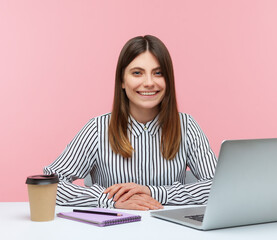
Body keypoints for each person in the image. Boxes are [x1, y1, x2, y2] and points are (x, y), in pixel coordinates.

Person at [44, 35, 217, 210]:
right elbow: (49, 184)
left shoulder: (186, 126)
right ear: (122, 81)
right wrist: (111, 200)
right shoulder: (98, 129)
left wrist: (154, 193)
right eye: (137, 73)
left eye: (158, 73)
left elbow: (218, 185)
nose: (149, 83)